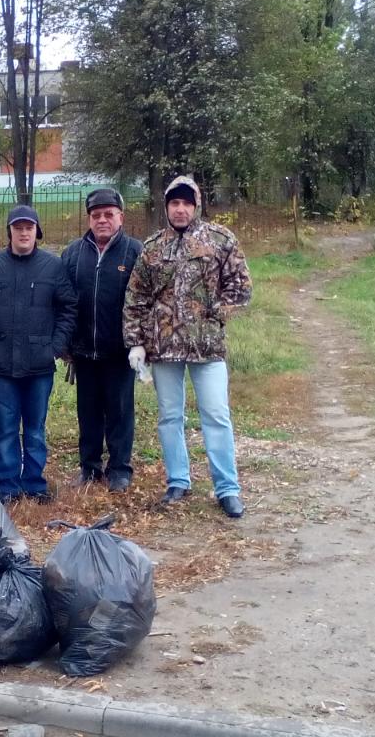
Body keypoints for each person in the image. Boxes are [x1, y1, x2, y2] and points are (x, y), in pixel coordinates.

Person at [123, 176, 252, 517]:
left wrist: (215, 314)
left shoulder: (220, 240)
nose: (180, 210)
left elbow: (241, 286)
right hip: (163, 349)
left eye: (186, 203)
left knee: (216, 415)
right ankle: (177, 481)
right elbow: (135, 297)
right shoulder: (152, 248)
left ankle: (227, 488)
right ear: (166, 207)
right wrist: (136, 342)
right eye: (174, 203)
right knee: (169, 417)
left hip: (206, 348)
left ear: (196, 205)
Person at [0, 205, 77, 504]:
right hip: (1, 365)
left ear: (37, 231)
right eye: (18, 227)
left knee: (35, 429)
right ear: (10, 231)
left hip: (39, 366)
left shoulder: (52, 267)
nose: (24, 232)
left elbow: (69, 307)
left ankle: (34, 483)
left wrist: (55, 346)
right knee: (5, 429)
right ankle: (8, 487)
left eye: (29, 227)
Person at [61, 188, 143, 493]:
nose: (102, 220)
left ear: (121, 217)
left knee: (120, 411)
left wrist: (140, 342)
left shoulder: (134, 252)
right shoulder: (72, 253)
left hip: (120, 351)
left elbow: (144, 300)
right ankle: (90, 468)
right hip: (83, 350)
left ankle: (120, 469)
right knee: (88, 412)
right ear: (89, 219)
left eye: (109, 214)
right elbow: (64, 300)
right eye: (96, 215)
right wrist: (66, 343)